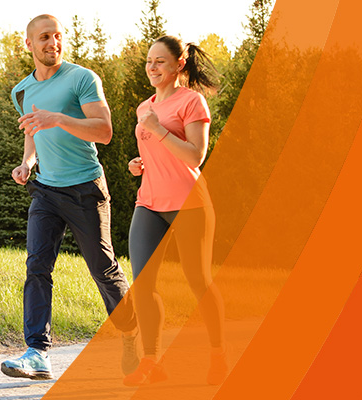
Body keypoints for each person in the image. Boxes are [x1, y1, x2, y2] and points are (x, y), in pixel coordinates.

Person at [0, 14, 140, 381]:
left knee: (104, 270)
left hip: (84, 188)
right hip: (45, 189)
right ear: (28, 43)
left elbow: (104, 131)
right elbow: (33, 132)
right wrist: (26, 163)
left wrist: (58, 118)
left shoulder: (81, 78)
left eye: (58, 36)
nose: (53, 43)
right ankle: (37, 352)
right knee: (37, 266)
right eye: (45, 37)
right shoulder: (22, 91)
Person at [121, 35, 228, 386]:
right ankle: (152, 361)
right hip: (149, 202)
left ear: (179, 65)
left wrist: (158, 130)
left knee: (198, 280)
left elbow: (195, 156)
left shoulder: (191, 102)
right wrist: (140, 162)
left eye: (160, 62)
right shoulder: (143, 107)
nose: (151, 67)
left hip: (189, 203)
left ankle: (218, 354)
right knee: (144, 283)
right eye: (148, 61)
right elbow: (158, 153)